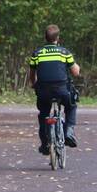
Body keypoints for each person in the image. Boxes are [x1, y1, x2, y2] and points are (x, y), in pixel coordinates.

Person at [28, 24, 80, 155]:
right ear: (58, 38)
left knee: (43, 115)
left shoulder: (37, 53)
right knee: (71, 106)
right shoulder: (64, 52)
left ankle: (45, 144)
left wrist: (34, 84)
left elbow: (32, 75)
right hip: (62, 90)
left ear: (45, 38)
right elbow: (75, 72)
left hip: (44, 91)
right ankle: (68, 131)